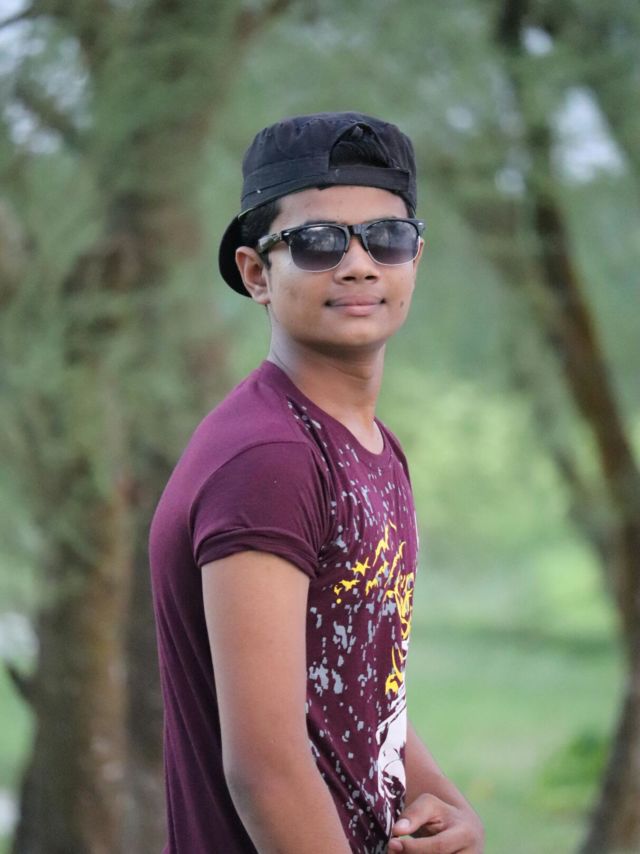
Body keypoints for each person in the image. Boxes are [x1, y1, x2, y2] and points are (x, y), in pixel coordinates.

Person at [149, 112, 484, 854]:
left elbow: (365, 691)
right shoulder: (268, 460)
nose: (359, 264)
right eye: (318, 242)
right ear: (256, 274)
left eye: (386, 237)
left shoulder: (372, 446)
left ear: (415, 257)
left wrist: (448, 805)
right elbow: (266, 770)